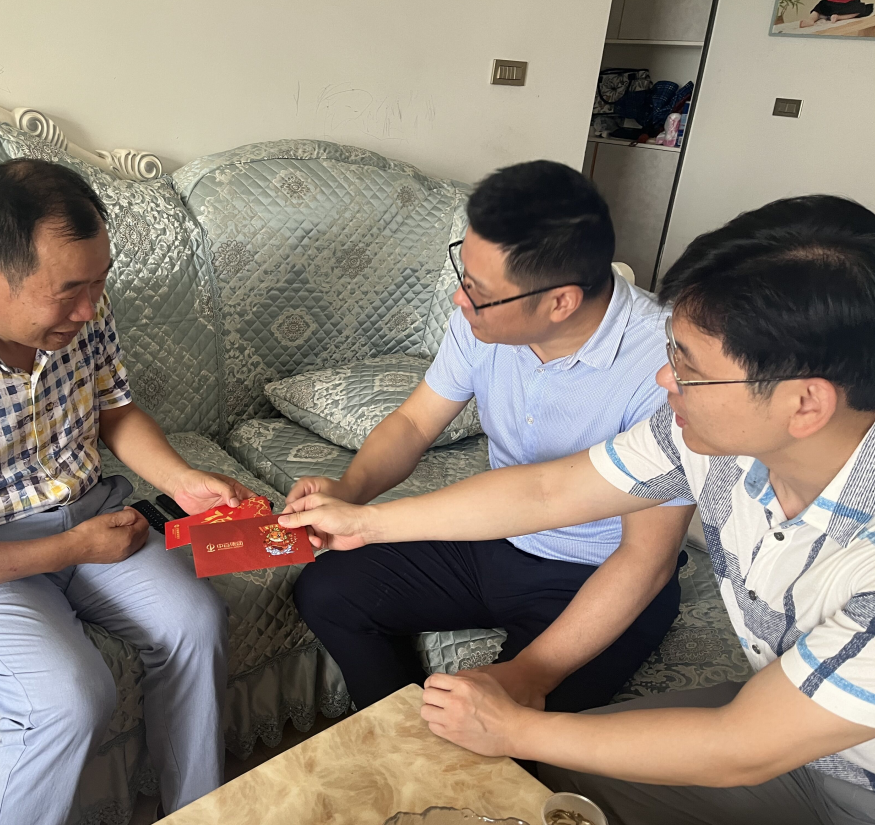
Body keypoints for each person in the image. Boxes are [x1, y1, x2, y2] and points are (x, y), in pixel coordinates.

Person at [279, 194, 875, 825]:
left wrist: (513, 725)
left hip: (830, 768)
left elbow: (739, 746)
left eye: (689, 368)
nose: (665, 379)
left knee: (526, 767)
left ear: (805, 404)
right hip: (798, 733)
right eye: (673, 351)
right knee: (563, 784)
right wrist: (364, 520)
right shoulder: (707, 440)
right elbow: (548, 492)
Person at [0, 159, 248, 823]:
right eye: (68, 291)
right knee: (68, 698)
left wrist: (182, 479)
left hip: (86, 516)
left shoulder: (82, 309)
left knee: (196, 624)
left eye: (99, 281)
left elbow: (115, 411)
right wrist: (70, 548)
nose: (89, 309)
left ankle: (194, 813)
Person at [290, 160, 694, 714]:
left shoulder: (668, 369)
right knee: (328, 591)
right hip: (493, 536)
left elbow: (645, 557)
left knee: (514, 733)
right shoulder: (483, 320)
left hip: (598, 571)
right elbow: (414, 423)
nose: (461, 300)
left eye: (479, 291)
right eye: (464, 275)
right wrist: (348, 492)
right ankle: (402, 734)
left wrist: (530, 673)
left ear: (560, 301)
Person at [800, 0, 872, 28]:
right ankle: (838, 17)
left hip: (830, 5)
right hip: (846, 6)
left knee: (819, 8)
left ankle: (811, 19)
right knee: (862, 9)